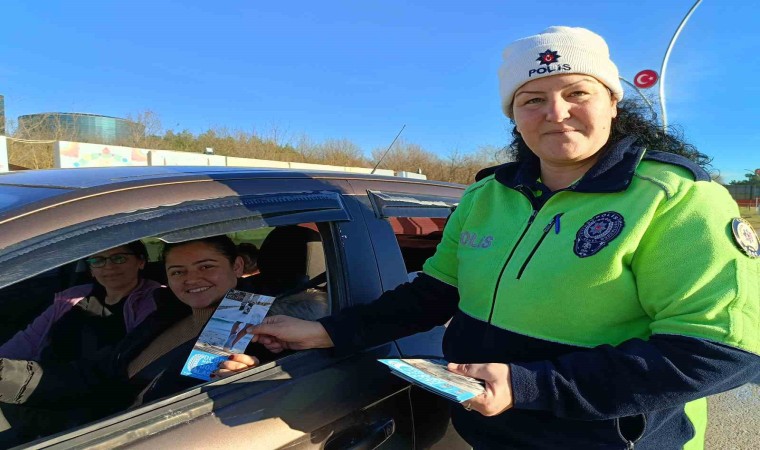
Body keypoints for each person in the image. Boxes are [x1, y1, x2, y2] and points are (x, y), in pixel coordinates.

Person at [218, 26, 760, 449]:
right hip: (491, 433)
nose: (557, 113)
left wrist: (528, 386)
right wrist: (329, 332)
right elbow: (436, 293)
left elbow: (718, 351)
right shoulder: (487, 197)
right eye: (533, 100)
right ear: (514, 117)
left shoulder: (677, 198)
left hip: (605, 441)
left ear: (614, 104)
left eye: (578, 92)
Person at [0, 234, 327, 445]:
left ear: (238, 265)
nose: (191, 279)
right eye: (178, 272)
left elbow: (187, 394)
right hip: (91, 417)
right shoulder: (167, 311)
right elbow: (98, 372)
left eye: (206, 266)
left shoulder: (243, 318)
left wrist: (243, 375)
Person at [0, 241, 160, 362]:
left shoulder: (155, 299)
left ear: (141, 262)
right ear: (91, 270)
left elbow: (137, 360)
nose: (109, 266)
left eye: (119, 258)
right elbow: (30, 339)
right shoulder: (72, 296)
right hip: (39, 377)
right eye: (97, 261)